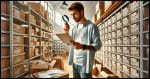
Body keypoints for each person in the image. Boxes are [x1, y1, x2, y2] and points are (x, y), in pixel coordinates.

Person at [64, 2, 102, 78]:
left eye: (75, 14)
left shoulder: (92, 27)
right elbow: (71, 43)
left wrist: (82, 46)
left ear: (81, 11)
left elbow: (98, 45)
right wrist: (67, 32)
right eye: (71, 15)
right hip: (75, 63)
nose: (73, 17)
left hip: (84, 65)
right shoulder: (75, 28)